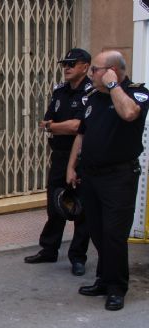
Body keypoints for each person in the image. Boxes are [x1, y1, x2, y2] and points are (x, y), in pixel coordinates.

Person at [66, 50, 149, 311]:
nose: (91, 74)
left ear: (113, 71)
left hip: (119, 178)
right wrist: (72, 167)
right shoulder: (92, 98)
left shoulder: (135, 93)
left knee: (114, 235)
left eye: (96, 70)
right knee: (98, 232)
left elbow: (129, 114)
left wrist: (113, 86)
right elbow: (81, 135)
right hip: (91, 176)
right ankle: (104, 279)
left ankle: (117, 288)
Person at [24, 48, 92, 276]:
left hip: (83, 159)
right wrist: (56, 126)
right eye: (65, 64)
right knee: (55, 204)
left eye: (72, 63)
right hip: (60, 156)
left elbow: (78, 127)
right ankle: (49, 249)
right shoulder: (60, 91)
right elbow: (46, 121)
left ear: (85, 66)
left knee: (81, 209)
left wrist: (55, 127)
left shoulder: (90, 93)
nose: (67, 67)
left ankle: (78, 257)